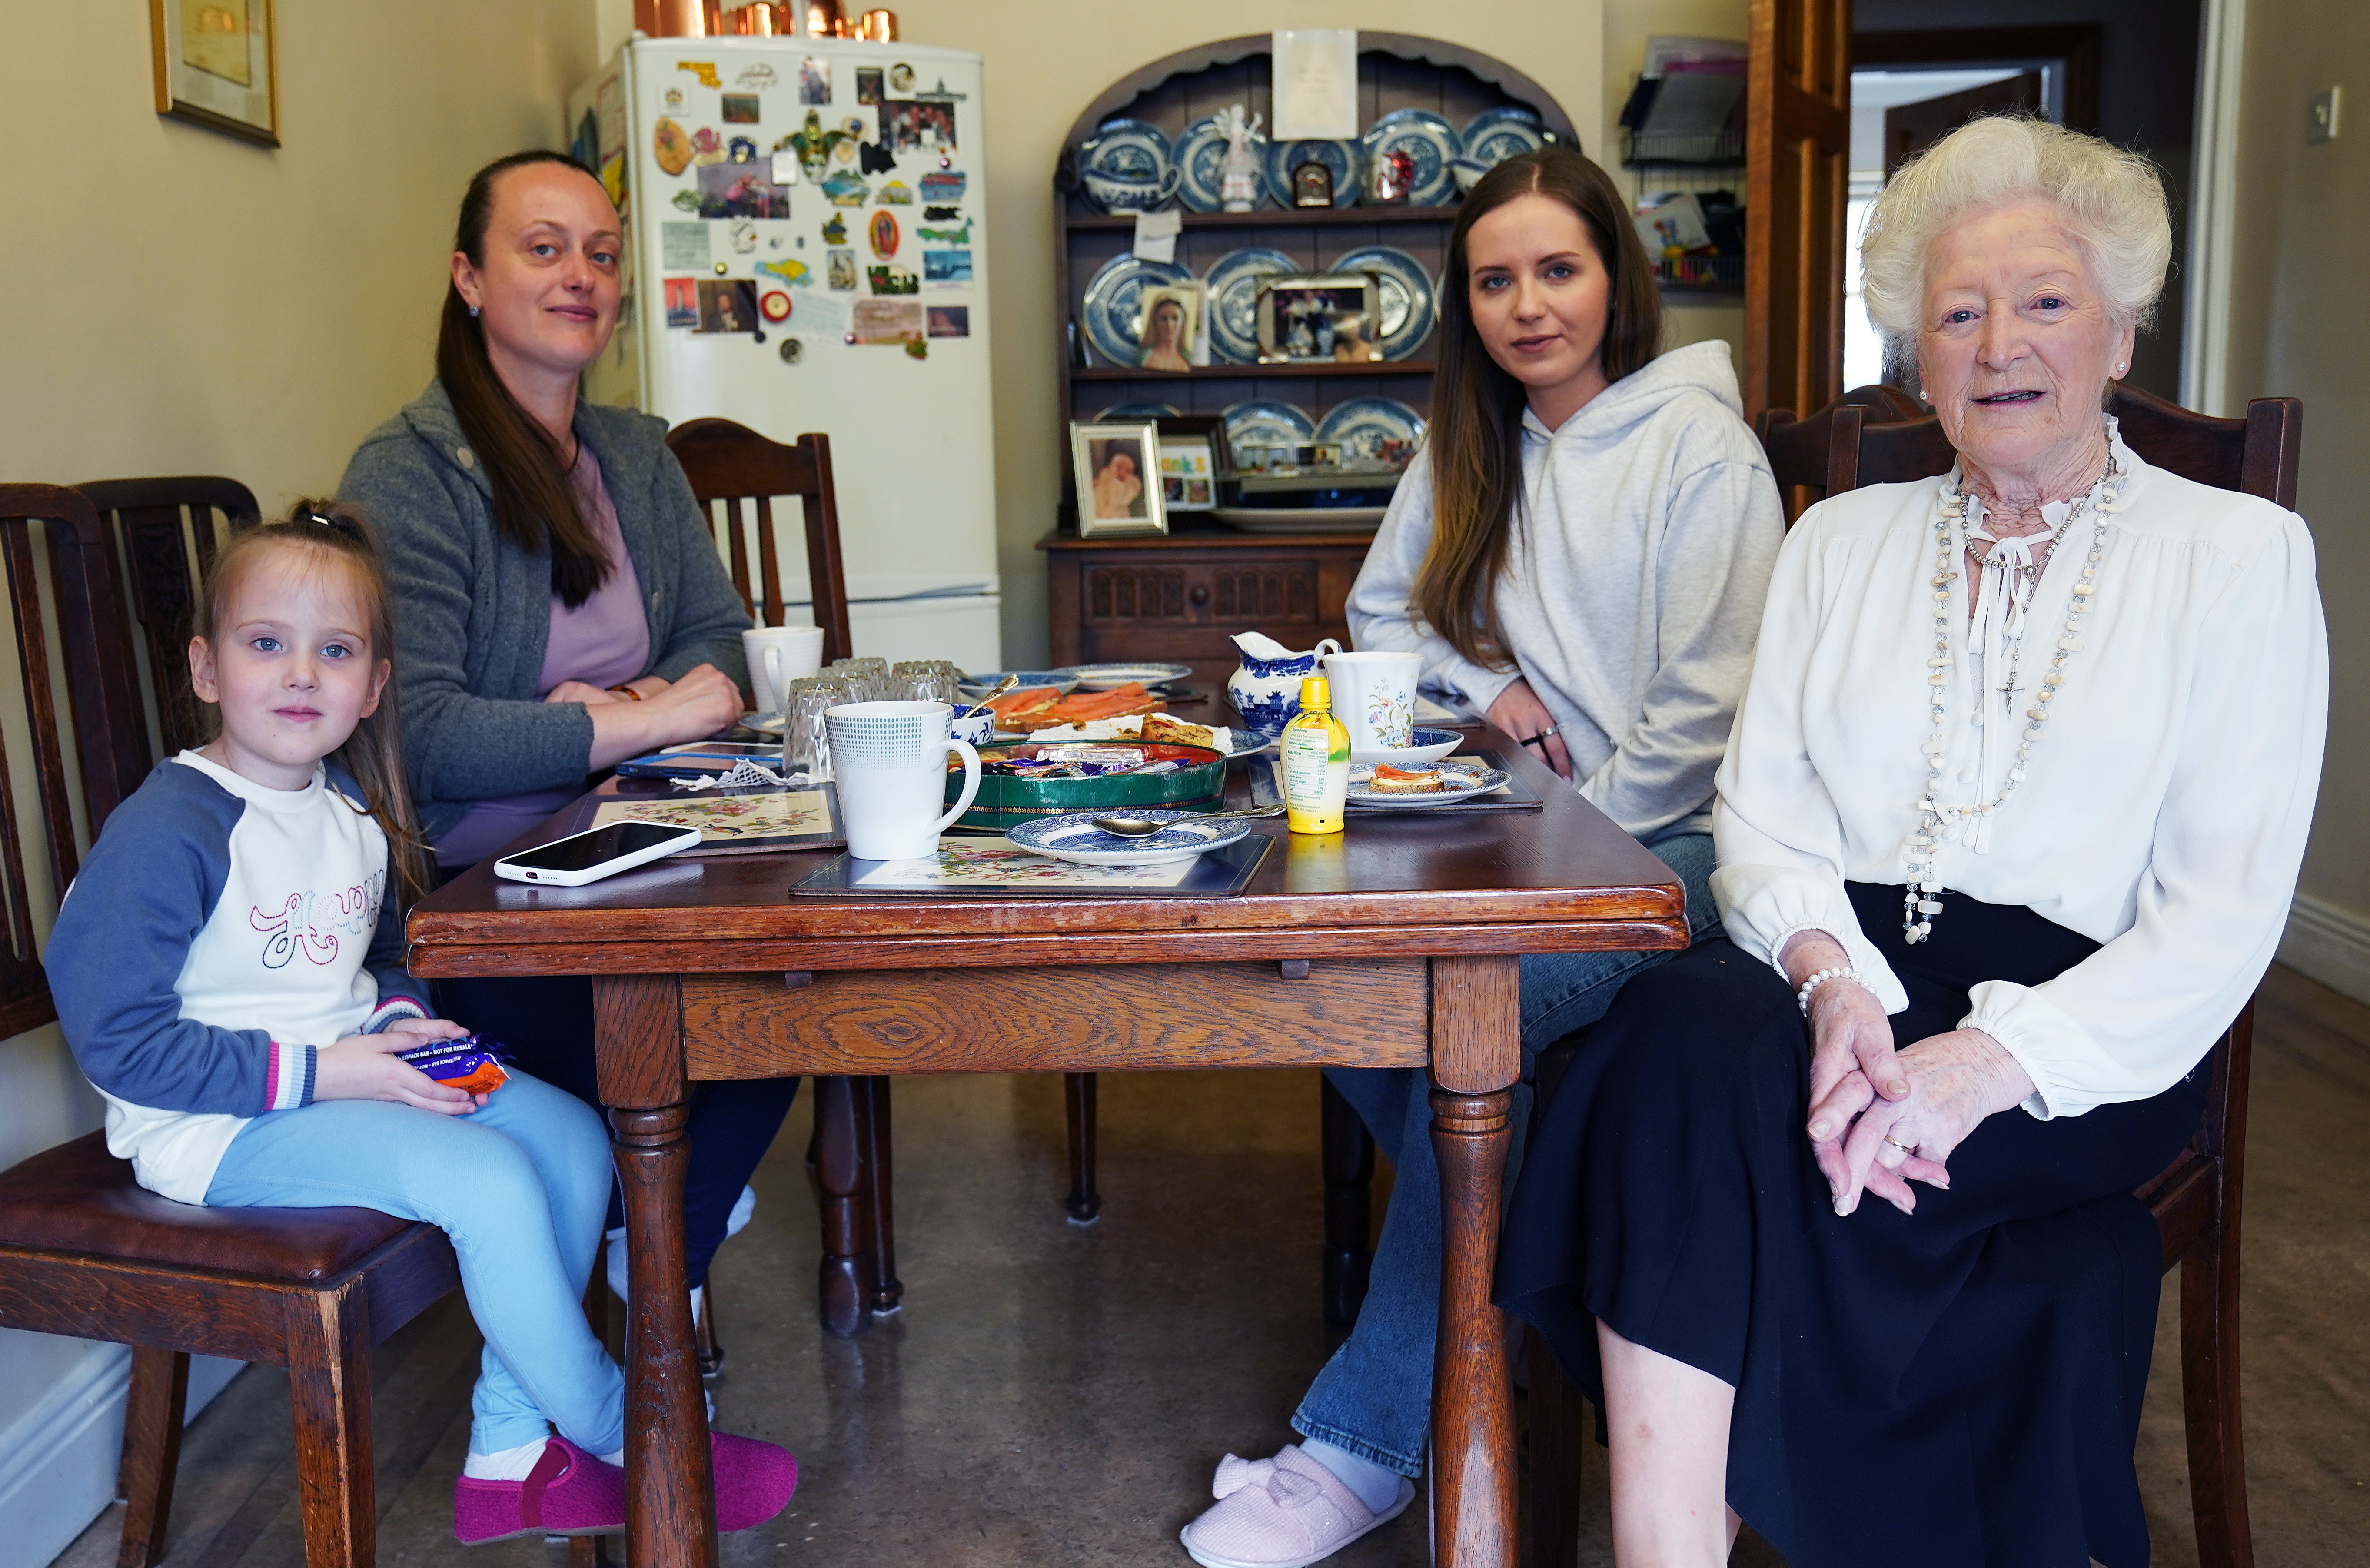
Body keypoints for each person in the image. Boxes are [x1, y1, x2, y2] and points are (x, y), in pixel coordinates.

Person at [1498, 116, 2327, 1568]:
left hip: (2083, 1025)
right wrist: (1832, 985)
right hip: (1837, 966)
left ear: (2121, 332)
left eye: (2046, 301)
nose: (2000, 341)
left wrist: (1971, 1067)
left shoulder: (2237, 557)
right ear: (1917, 355)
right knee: (1675, 1036)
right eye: (1956, 311)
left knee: (1727, 1126)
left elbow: (2217, 914)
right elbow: (1757, 819)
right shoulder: (1840, 538)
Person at [1179, 144, 1782, 1568]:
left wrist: (1575, 852)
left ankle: (1364, 1445)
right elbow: (1380, 608)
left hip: (1675, 843)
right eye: (1496, 280)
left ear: (1613, 277)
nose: (1528, 306)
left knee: (1467, 1034)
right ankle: (1523, 1269)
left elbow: (1709, 706)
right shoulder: (1473, 441)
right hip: (1521, 821)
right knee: (1323, 952)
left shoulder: (1702, 445)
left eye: (1557, 270)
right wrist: (1480, 679)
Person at [45, 507, 798, 1545]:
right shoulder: (173, 825)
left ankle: (507, 1451)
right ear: (207, 668)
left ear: (375, 685)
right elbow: (120, 1040)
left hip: (359, 1061)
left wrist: (401, 1019)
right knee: (484, 1181)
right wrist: (334, 1069)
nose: (302, 673)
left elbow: (386, 946)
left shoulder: (348, 806)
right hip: (218, 1120)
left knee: (576, 1139)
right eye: (267, 643)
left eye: (336, 650)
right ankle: (633, 1434)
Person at [339, 150, 793, 1335]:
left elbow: (722, 649)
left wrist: (638, 711)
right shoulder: (410, 474)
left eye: (599, 253)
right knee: (729, 1009)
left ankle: (649, 1253)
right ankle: (652, 1282)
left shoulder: (635, 456)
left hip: (637, 847)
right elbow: (419, 734)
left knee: (804, 972)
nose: (579, 276)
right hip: (471, 899)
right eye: (542, 249)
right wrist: (633, 720)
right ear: (469, 279)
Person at [1141, 294, 1192, 372]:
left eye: (1175, 318)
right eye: (1163, 319)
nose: (1169, 325)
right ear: (1155, 323)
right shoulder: (1144, 357)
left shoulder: (1188, 359)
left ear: (1183, 324)